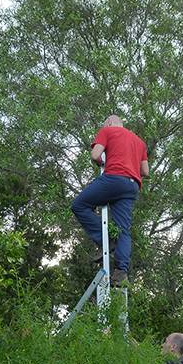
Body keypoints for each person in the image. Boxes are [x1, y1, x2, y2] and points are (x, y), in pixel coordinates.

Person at [71, 115, 148, 286]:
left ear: (109, 123)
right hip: (131, 186)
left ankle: (104, 239)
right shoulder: (140, 142)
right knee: (124, 230)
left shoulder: (107, 131)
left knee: (79, 205)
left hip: (113, 179)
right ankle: (121, 272)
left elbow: (95, 154)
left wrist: (102, 161)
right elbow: (145, 171)